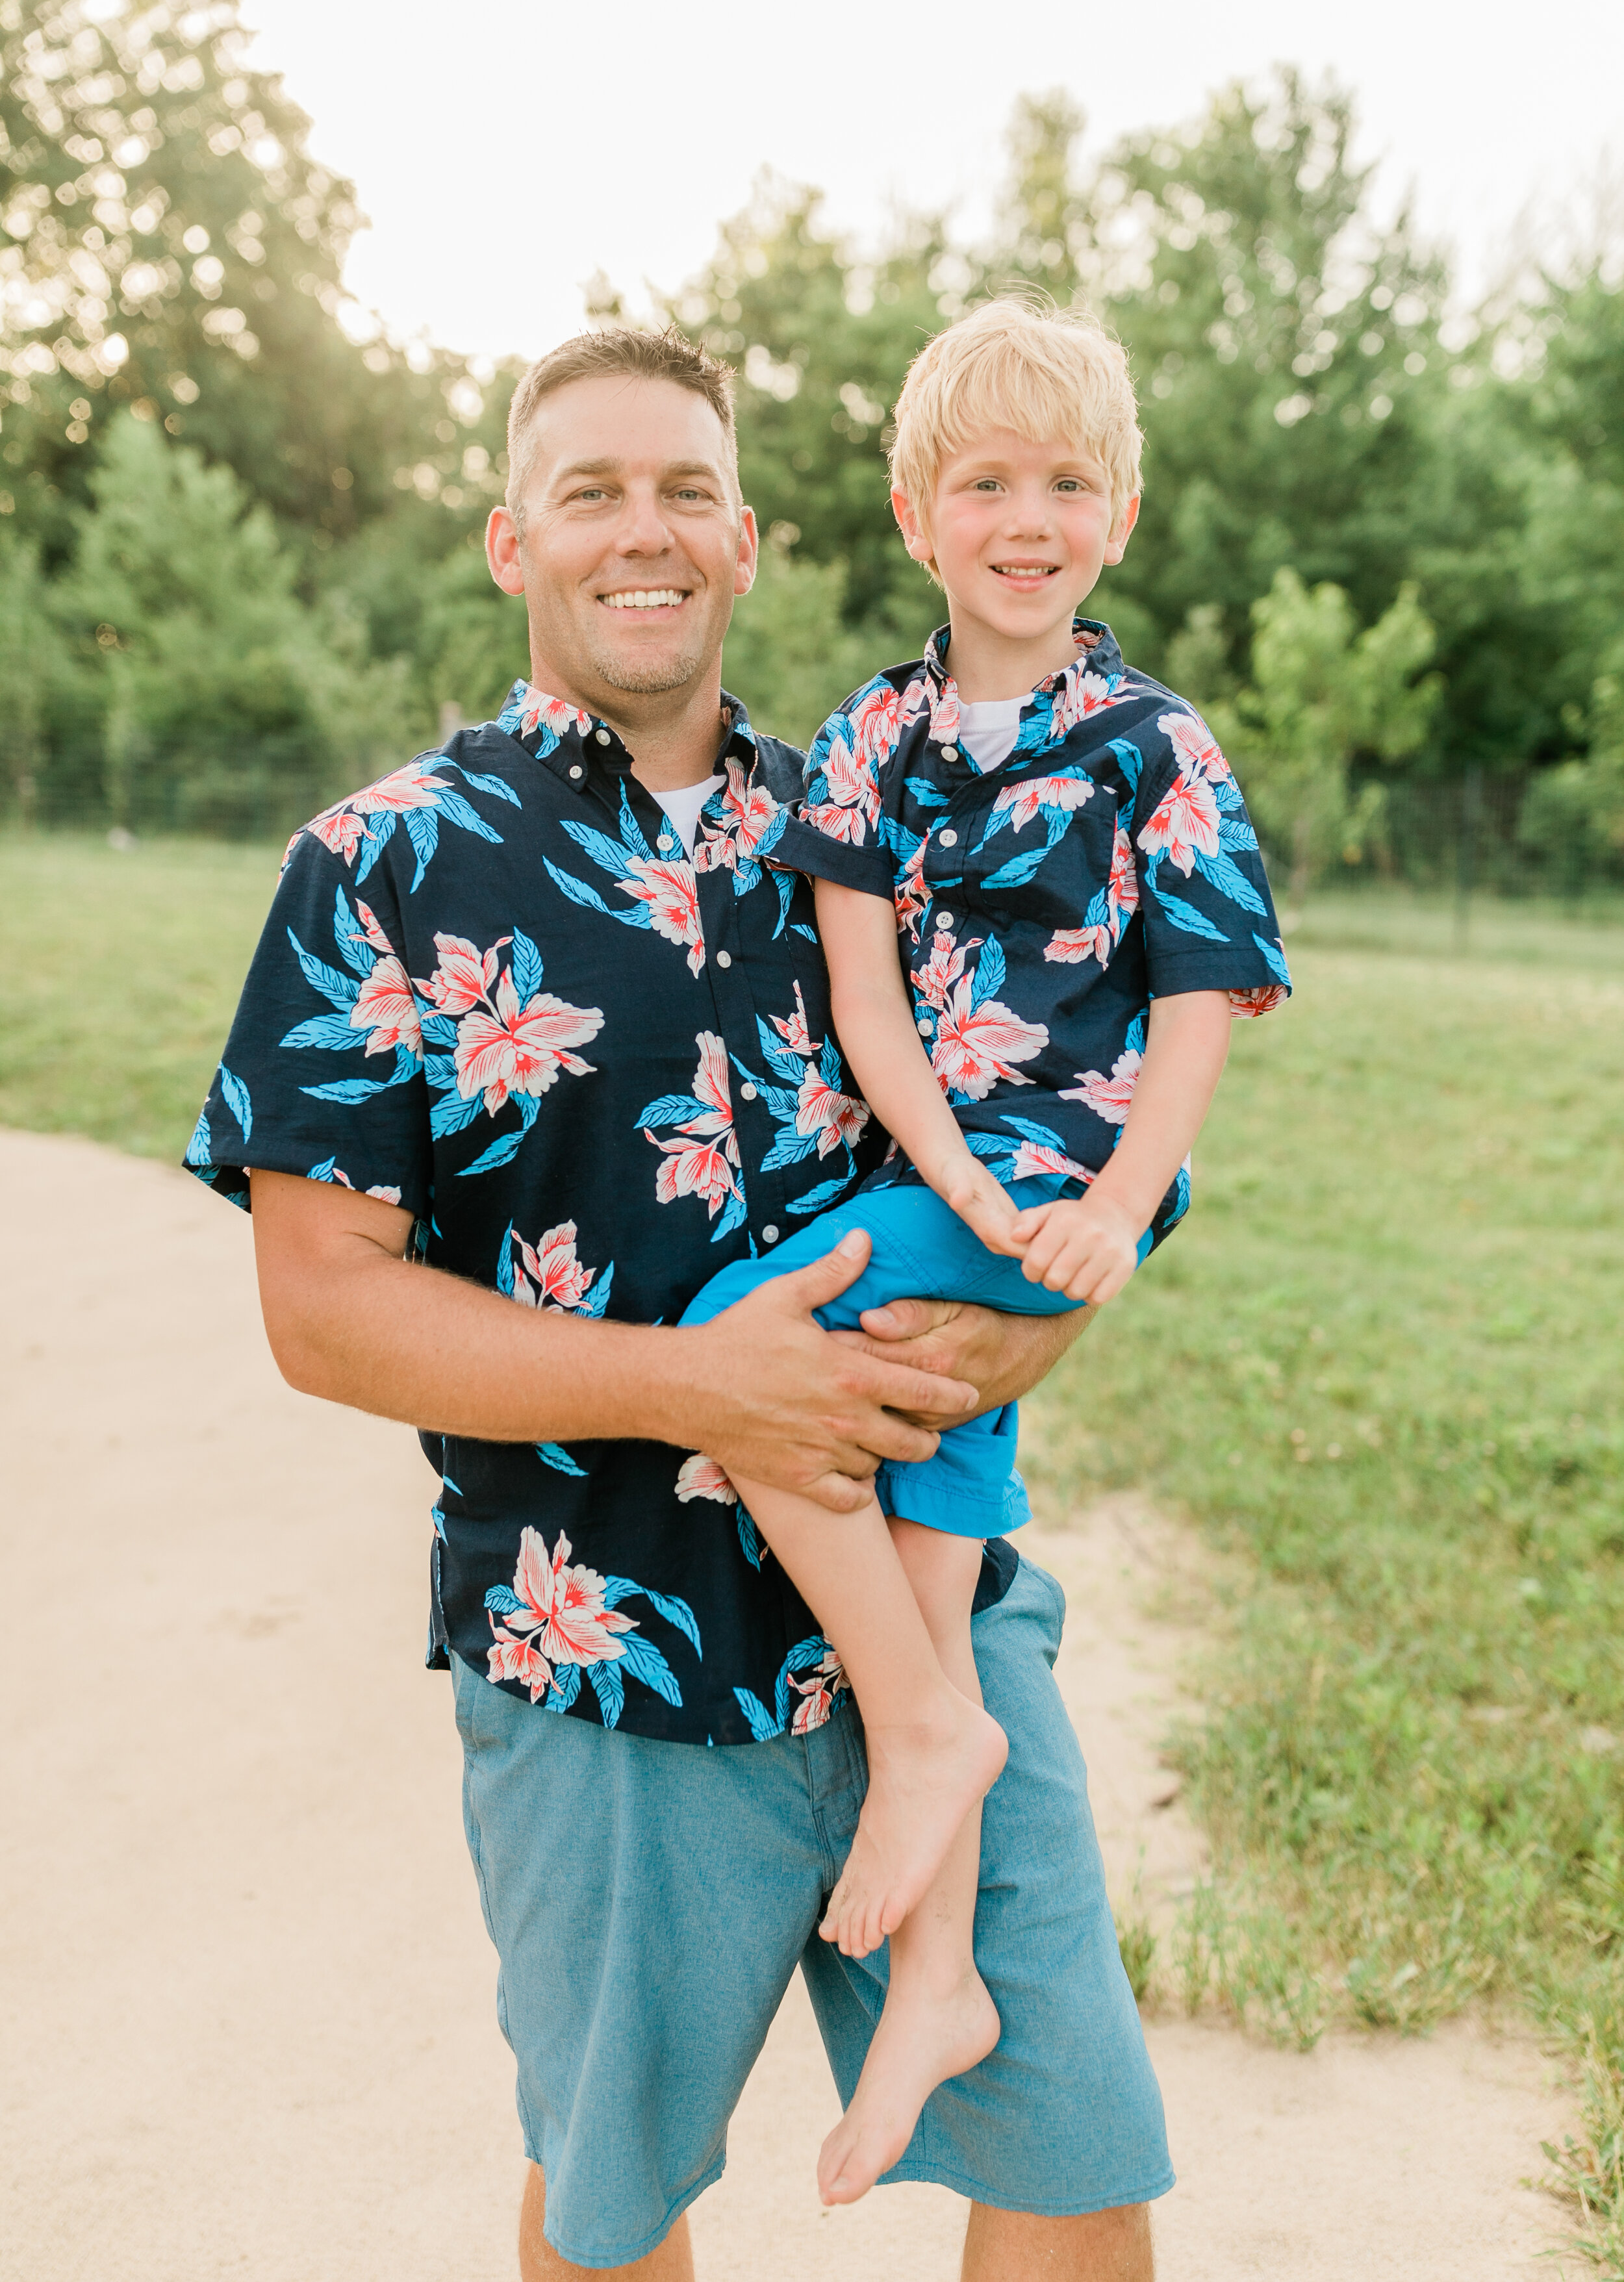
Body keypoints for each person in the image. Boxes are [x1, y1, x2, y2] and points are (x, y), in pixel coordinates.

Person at [184, 322, 1178, 2281]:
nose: (641, 534)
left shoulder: (879, 824)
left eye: (682, 494)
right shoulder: (380, 868)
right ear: (507, 543)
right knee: (620, 2201)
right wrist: (700, 1388)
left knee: (1068, 2167)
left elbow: (1088, 1107)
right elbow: (321, 1309)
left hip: (933, 1621)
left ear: (748, 543)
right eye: (590, 493)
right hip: (604, 1663)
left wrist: (1037, 1326)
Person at [673, 298, 1290, 2204]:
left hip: (1071, 1201)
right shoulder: (870, 737)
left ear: (1116, 510)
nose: (1026, 516)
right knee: (931, 1541)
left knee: (732, 1322)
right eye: (985, 482)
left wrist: (1103, 1208)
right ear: (913, 511)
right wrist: (963, 1178)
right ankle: (938, 1975)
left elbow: (1196, 1004)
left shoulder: (1151, 745)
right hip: (959, 1178)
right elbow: (864, 999)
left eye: (1066, 482)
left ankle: (928, 1730)